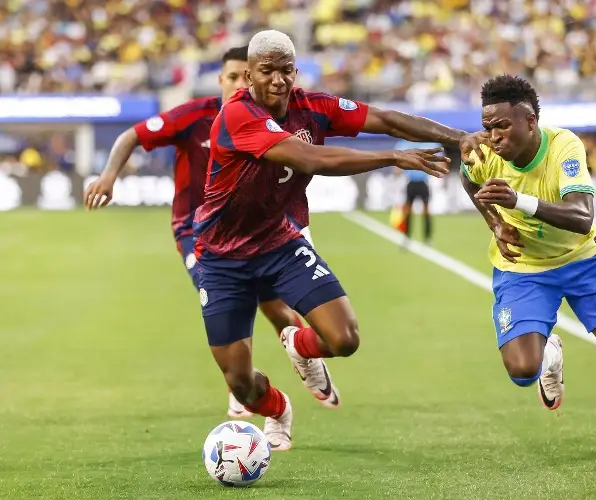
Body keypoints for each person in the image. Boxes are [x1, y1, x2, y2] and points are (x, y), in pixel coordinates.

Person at [195, 30, 484, 451]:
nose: (278, 79)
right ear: (249, 76)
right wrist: (392, 156)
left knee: (344, 339)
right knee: (241, 383)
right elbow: (309, 157)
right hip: (223, 259)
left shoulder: (313, 106)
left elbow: (384, 119)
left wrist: (458, 138)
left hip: (279, 244)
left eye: (286, 70)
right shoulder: (237, 116)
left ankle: (297, 343)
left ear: (296, 70)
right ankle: (277, 409)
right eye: (267, 71)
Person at [82, 47, 310, 419]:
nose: (239, 83)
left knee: (277, 308)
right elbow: (132, 135)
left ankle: (305, 357)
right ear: (220, 80)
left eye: (244, 76)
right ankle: (242, 385)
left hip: (253, 231)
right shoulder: (195, 115)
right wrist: (108, 176)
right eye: (231, 77)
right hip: (196, 231)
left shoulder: (267, 117)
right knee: (231, 293)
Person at [460, 75, 596, 459]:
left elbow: (583, 217)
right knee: (522, 370)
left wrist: (517, 201)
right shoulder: (483, 154)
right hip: (523, 267)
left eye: (502, 126)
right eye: (488, 128)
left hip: (584, 260)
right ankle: (549, 353)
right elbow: (467, 179)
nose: (494, 136)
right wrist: (495, 222)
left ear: (530, 121)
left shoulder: (563, 146)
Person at [395, 140, 439, 245]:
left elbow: (440, 159)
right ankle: (406, 236)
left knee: (426, 211)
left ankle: (427, 238)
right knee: (408, 211)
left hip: (423, 182)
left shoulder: (429, 144)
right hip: (411, 182)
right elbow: (397, 164)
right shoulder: (403, 144)